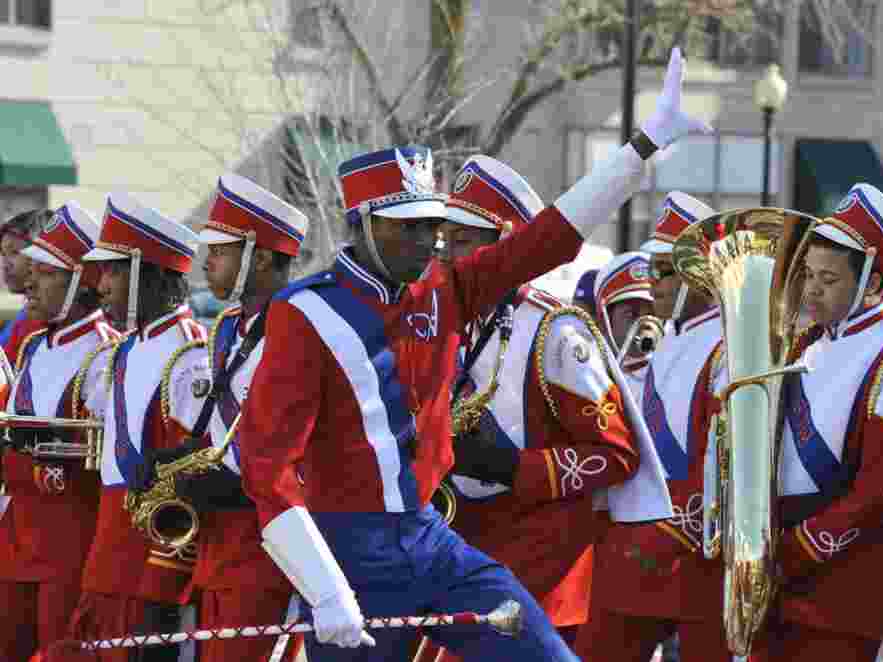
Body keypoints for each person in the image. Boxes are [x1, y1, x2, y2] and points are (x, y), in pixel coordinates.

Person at [236, 46, 702, 662]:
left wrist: (642, 148)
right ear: (366, 223)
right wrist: (323, 590)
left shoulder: (446, 288)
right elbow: (265, 465)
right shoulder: (304, 312)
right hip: (349, 551)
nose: (429, 237)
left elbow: (549, 241)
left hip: (431, 539)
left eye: (433, 222)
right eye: (410, 225)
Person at [411, 155, 667, 662]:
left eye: (462, 241)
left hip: (539, 570)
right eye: (446, 241)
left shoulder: (557, 332)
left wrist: (513, 466)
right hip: (462, 548)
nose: (446, 256)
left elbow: (617, 455)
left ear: (507, 244)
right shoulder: (453, 319)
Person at [747, 183, 883, 662]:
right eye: (809, 274)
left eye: (829, 279)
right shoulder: (806, 345)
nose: (811, 288)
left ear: (872, 284)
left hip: (849, 581)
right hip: (781, 572)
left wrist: (800, 547)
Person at [137, 174, 308, 661]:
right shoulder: (231, 326)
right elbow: (224, 425)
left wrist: (237, 485)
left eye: (222, 250)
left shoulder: (299, 325)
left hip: (270, 542)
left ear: (266, 257)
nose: (207, 260)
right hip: (220, 543)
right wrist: (180, 458)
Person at [574, 192, 733, 662]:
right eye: (652, 270)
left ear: (699, 273)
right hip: (634, 553)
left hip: (694, 556)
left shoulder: (730, 347)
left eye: (664, 271)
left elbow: (725, 465)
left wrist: (666, 533)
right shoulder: (661, 343)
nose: (653, 284)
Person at [68, 193, 207, 662]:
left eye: (112, 271)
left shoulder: (190, 353)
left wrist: (164, 584)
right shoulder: (127, 349)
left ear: (151, 274)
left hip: (150, 564)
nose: (99, 283)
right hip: (108, 556)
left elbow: (191, 476)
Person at [0, 203, 119, 660]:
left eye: (45, 273)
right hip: (17, 536)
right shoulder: (32, 344)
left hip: (70, 543)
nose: (28, 282)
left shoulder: (106, 352)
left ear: (81, 282)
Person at [591, 251, 656, 396]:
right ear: (604, 321)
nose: (646, 323)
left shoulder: (675, 370)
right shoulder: (588, 376)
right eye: (631, 315)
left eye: (653, 313)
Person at [0, 209, 51, 359]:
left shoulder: (44, 322)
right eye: (3, 254)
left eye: (14, 252)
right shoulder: (24, 317)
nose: (5, 264)